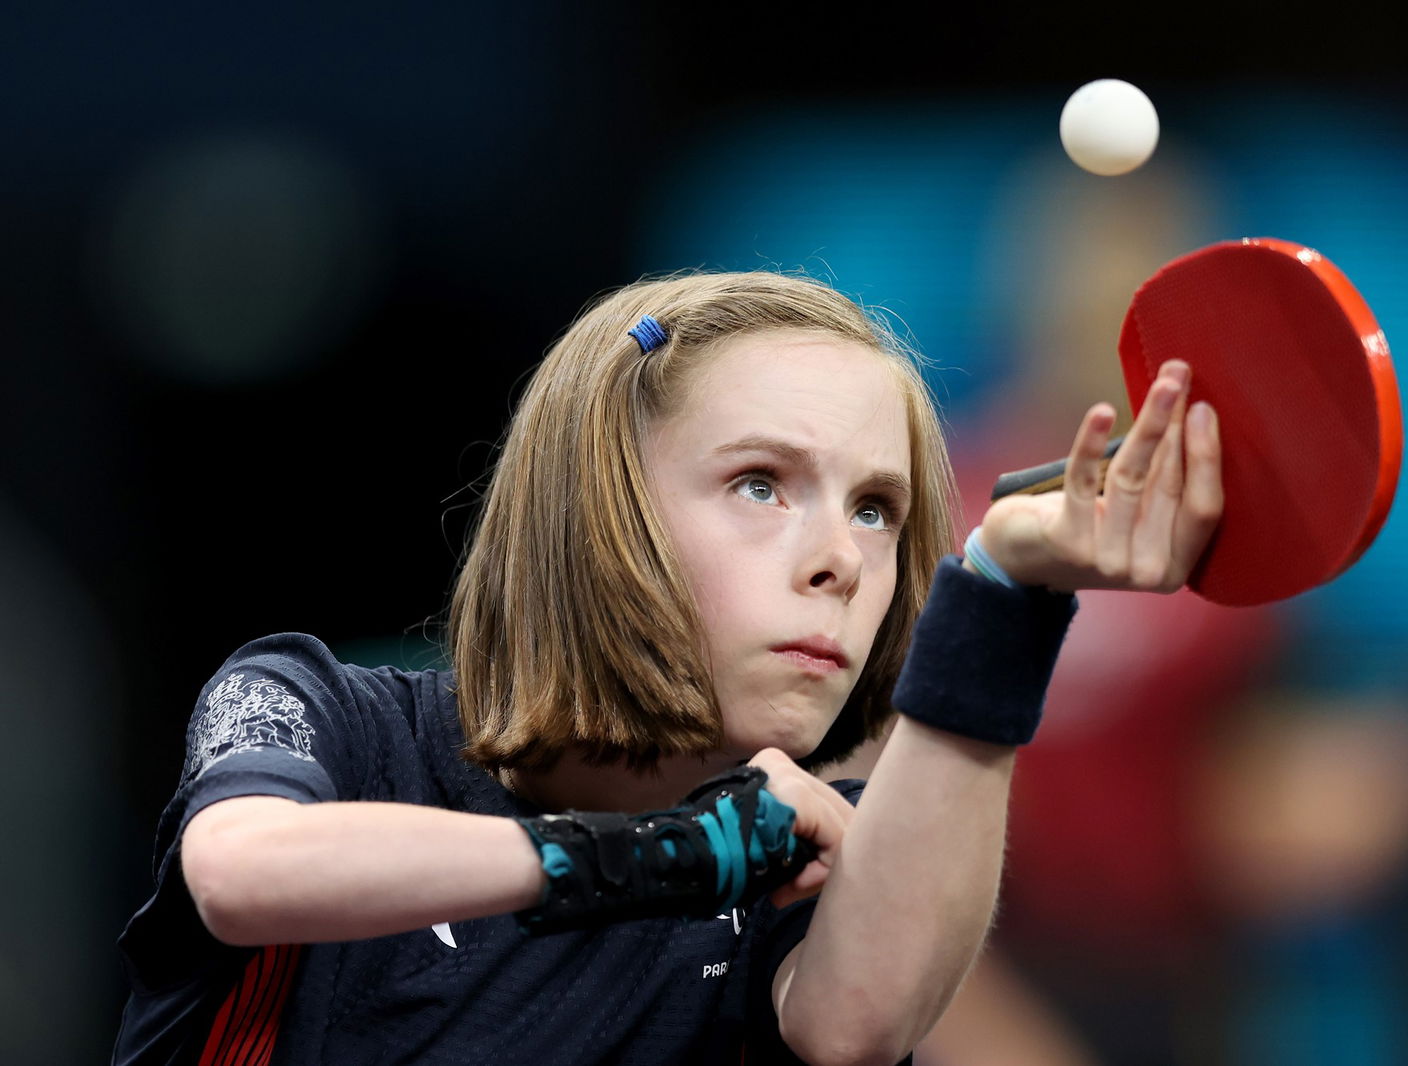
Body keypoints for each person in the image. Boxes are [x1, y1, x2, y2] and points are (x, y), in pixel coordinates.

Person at [113, 270, 1221, 1065]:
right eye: (759, 483)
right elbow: (244, 875)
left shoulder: (791, 849)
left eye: (877, 509)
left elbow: (859, 1023)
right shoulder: (320, 710)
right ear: (608, 513)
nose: (840, 557)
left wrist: (1003, 592)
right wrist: (663, 856)